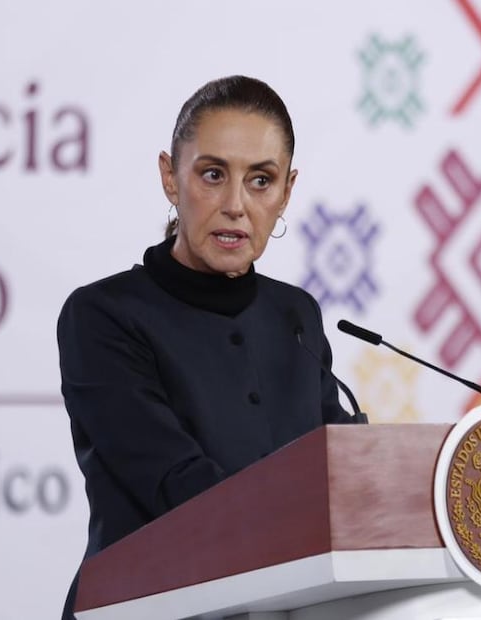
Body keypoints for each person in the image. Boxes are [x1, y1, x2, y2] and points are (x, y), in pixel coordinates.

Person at [56, 75, 364, 619]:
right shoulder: (102, 316)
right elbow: (178, 485)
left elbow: (337, 473)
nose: (236, 205)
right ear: (170, 178)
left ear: (287, 191)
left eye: (261, 181)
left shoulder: (296, 316)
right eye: (213, 175)